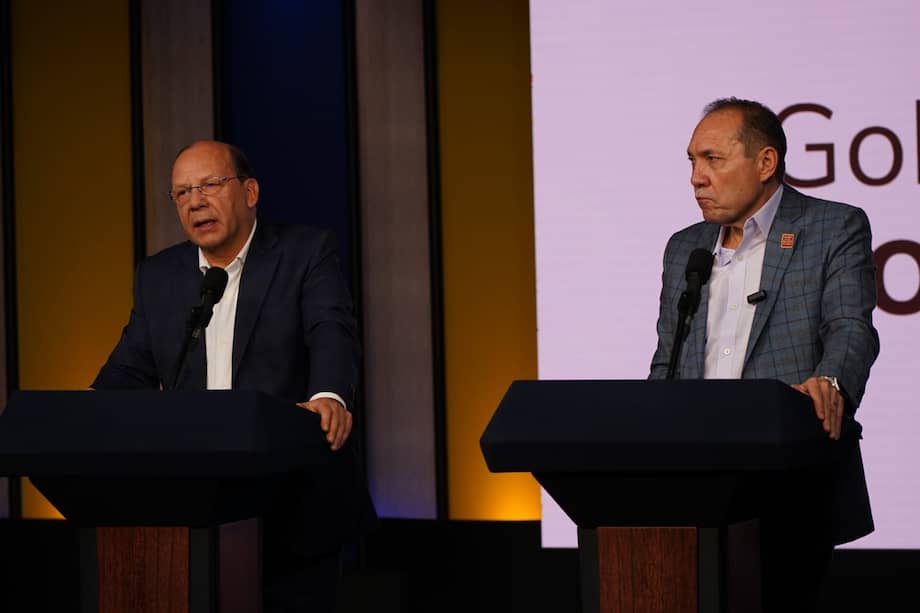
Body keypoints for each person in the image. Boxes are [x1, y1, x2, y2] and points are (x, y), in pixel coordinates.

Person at [93, 140, 376, 612]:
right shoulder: (159, 276)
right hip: (189, 511)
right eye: (181, 193)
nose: (195, 201)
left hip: (294, 508)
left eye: (209, 185)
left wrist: (329, 395)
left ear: (250, 192)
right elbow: (129, 366)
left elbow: (331, 328)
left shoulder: (305, 252)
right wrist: (85, 413)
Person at [649, 98, 879, 611]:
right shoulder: (684, 247)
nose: (696, 178)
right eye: (691, 161)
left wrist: (831, 382)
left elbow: (849, 327)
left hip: (788, 484)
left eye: (712, 159)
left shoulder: (832, 228)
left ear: (765, 163)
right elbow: (667, 360)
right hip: (692, 484)